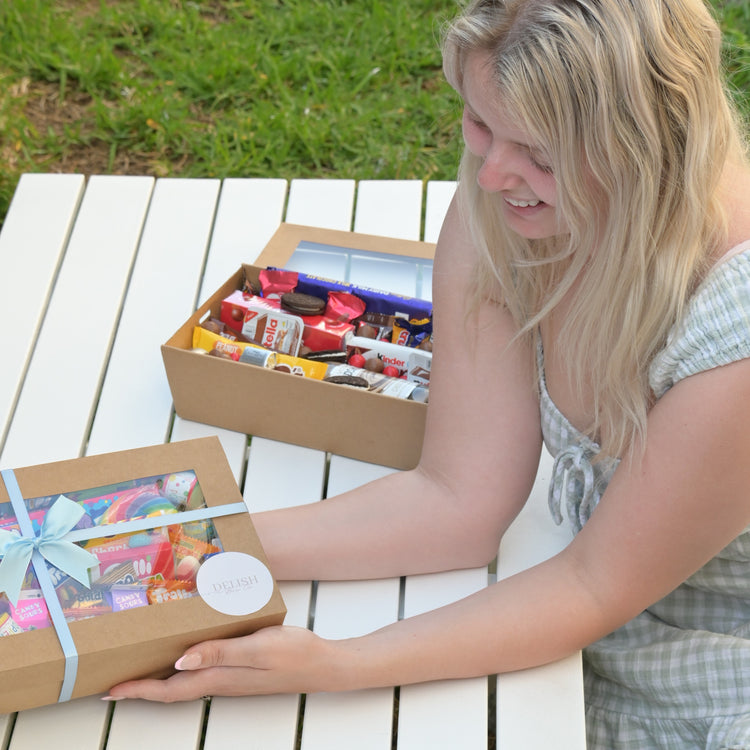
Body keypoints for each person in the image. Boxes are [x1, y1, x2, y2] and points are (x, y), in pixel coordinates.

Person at [106, 0, 750, 746]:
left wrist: (338, 662)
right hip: (584, 607)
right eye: (481, 123)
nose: (496, 171)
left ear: (651, 148)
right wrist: (190, 543)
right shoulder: (506, 197)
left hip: (708, 658)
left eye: (542, 153)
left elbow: (592, 584)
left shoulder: (732, 328)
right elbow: (457, 500)